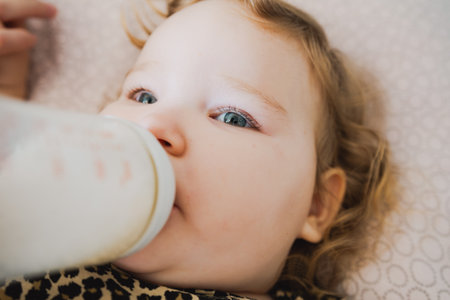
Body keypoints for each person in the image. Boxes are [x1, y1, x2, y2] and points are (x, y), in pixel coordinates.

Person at [0, 0, 396, 299]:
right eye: (143, 95)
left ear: (315, 205)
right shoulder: (44, 230)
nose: (154, 125)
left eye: (233, 118)